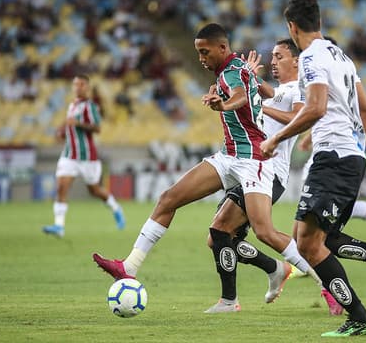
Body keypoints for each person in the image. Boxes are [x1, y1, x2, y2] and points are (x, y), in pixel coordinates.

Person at [92, 24, 314, 301]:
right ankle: (129, 267)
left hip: (253, 161)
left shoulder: (234, 72)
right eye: (198, 52)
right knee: (170, 200)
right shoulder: (234, 71)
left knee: (264, 232)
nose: (200, 58)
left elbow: (240, 97)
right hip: (228, 157)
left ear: (222, 48)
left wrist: (223, 103)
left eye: (205, 52)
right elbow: (249, 92)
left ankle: (322, 281)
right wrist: (243, 85)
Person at [259, 0, 366, 337]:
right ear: (319, 22)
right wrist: (355, 151)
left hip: (333, 158)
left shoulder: (311, 57)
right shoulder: (340, 55)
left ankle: (360, 317)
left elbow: (315, 108)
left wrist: (274, 139)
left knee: (310, 245)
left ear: (292, 27)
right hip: (348, 157)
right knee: (314, 238)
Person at [202, 39, 342, 314]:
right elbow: (260, 91)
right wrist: (249, 77)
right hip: (248, 165)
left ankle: (324, 285)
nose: (273, 61)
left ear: (296, 61)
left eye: (279, 56)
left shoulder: (302, 89)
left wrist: (257, 106)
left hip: (269, 171)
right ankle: (274, 269)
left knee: (256, 232)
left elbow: (297, 116)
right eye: (272, 56)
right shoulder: (278, 91)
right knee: (218, 236)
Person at [42, 74, 126, 238]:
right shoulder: (72, 105)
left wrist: (78, 124)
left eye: (81, 85)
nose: (78, 87)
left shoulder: (90, 106)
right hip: (69, 155)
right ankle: (59, 226)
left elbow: (97, 128)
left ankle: (116, 208)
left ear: (87, 87)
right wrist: (61, 132)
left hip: (87, 157)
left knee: (95, 191)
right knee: (61, 187)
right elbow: (69, 125)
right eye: (75, 84)